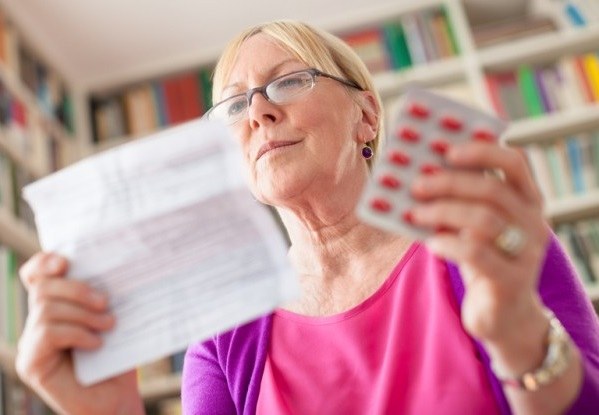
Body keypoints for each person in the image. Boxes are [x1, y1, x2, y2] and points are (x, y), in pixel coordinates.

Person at [15, 20, 599, 415]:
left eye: (289, 81)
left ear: (366, 115)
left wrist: (520, 334)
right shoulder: (223, 331)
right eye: (235, 104)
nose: (260, 112)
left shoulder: (483, 245)